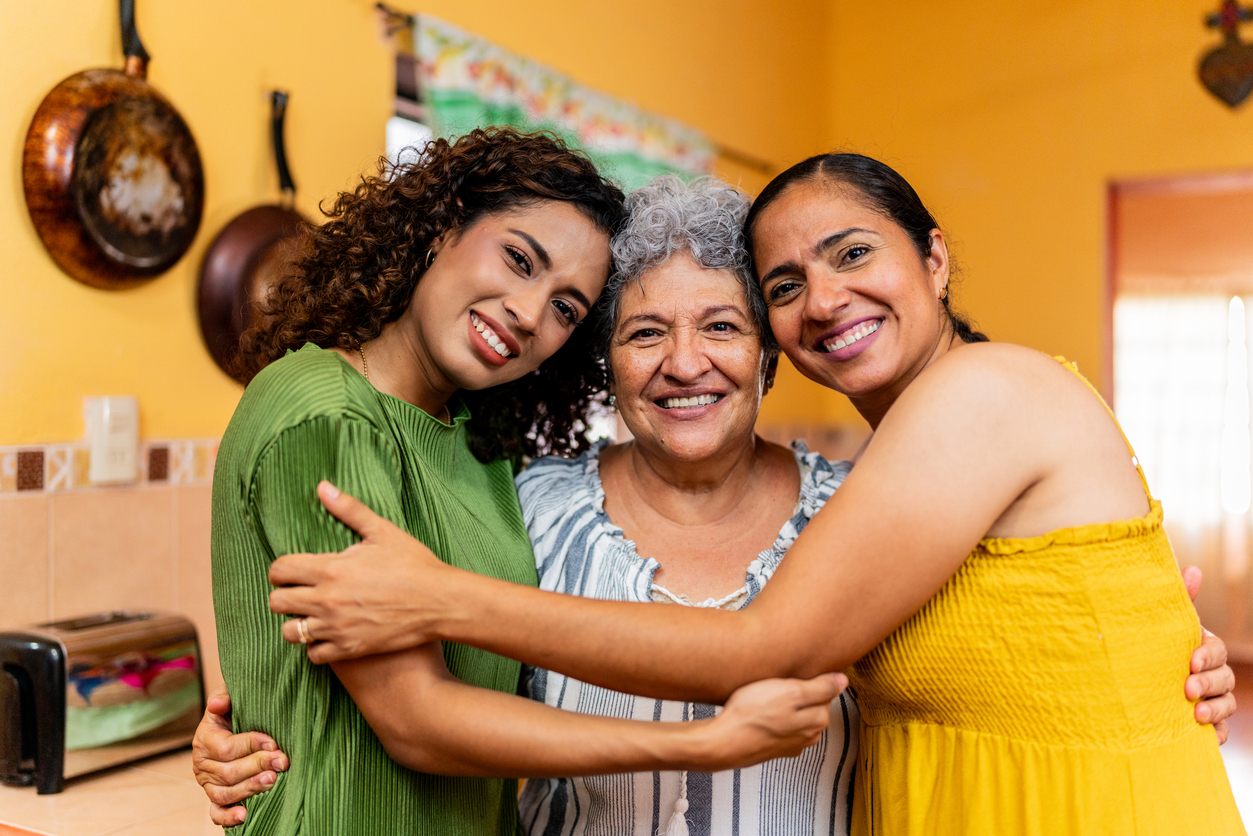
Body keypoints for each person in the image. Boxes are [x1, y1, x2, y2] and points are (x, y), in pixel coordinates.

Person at [202, 172, 1239, 834]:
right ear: (601, 366)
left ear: (768, 358)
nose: (684, 362)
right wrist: (244, 722)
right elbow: (415, 682)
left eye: (724, 326)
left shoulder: (859, 511)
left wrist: (1164, 656)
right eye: (642, 332)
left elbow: (1026, 622)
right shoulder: (524, 507)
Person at [208, 133, 844, 836]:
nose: (529, 312)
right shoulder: (335, 418)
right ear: (442, 225)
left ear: (768, 354)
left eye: (566, 308)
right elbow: (411, 714)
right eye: (519, 259)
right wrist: (702, 743)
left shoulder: (481, 447)